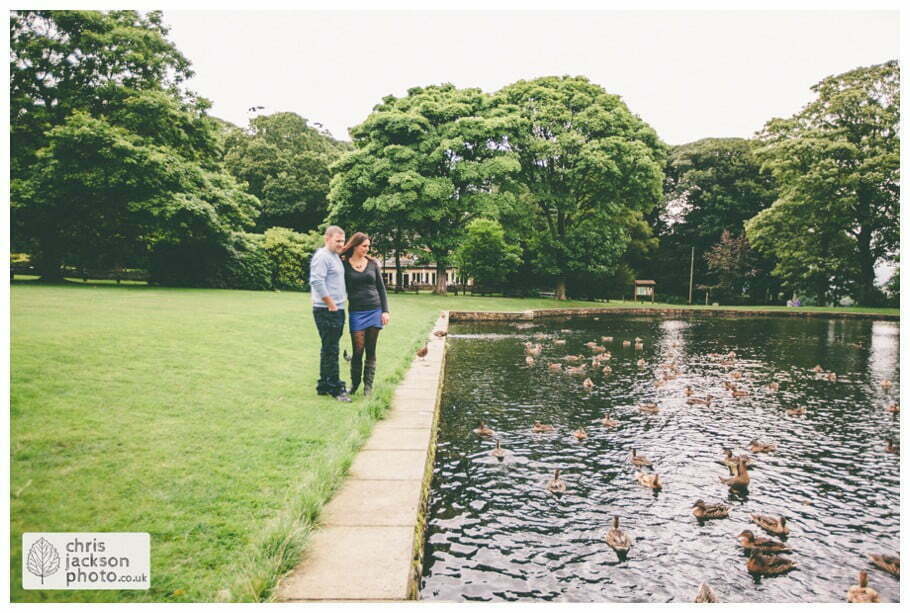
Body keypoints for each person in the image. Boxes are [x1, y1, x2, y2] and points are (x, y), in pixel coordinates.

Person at [340, 232, 390, 396]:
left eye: (368, 246)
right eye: (364, 246)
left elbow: (381, 289)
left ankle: (368, 387)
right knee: (358, 350)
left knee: (371, 349)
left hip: (374, 309)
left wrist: (385, 311)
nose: (367, 249)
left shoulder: (373, 263)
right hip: (356, 312)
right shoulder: (344, 264)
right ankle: (354, 385)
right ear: (355, 246)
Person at [309, 225, 351, 402]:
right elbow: (316, 281)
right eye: (337, 240)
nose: (341, 244)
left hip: (337, 308)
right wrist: (331, 304)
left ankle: (323, 385)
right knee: (332, 349)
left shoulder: (335, 256)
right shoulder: (322, 257)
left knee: (328, 348)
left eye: (343, 240)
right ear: (327, 239)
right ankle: (335, 388)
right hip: (327, 310)